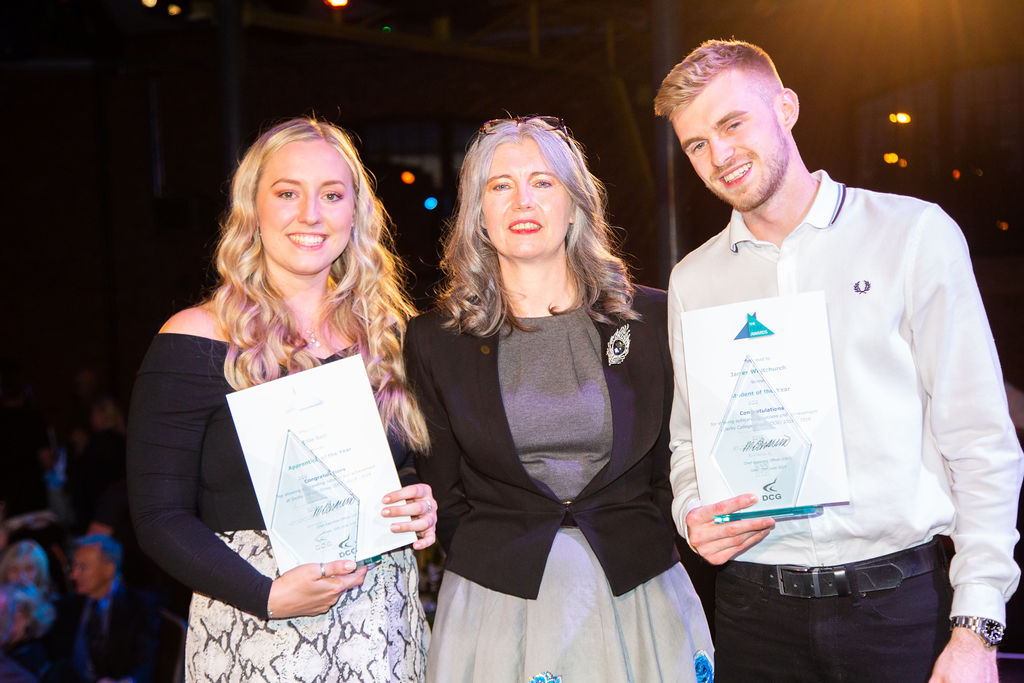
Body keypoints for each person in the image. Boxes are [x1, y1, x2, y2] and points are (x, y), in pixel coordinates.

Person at [654, 39, 1023, 681]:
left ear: (786, 108)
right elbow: (687, 442)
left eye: (732, 124)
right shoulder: (693, 279)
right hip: (753, 612)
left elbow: (980, 440)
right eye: (696, 145)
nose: (719, 156)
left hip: (899, 609)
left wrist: (977, 630)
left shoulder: (912, 235)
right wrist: (693, 512)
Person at [126, 118, 438, 681]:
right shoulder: (195, 339)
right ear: (254, 208)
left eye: (332, 195)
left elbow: (406, 467)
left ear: (355, 213)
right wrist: (266, 596)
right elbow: (157, 516)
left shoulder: (392, 339)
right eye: (288, 193)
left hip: (384, 631)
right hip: (255, 631)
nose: (310, 215)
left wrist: (417, 501)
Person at [405, 116, 713, 682]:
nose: (522, 200)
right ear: (479, 213)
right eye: (500, 186)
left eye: (543, 183)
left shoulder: (653, 319)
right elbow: (445, 493)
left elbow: (677, 461)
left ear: (575, 207)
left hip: (638, 593)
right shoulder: (434, 340)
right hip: (500, 605)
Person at [44, 535, 158, 683]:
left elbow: (148, 661)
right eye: (74, 566)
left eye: (82, 567)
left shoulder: (139, 606)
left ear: (108, 569)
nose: (73, 575)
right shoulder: (69, 606)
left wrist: (127, 681)